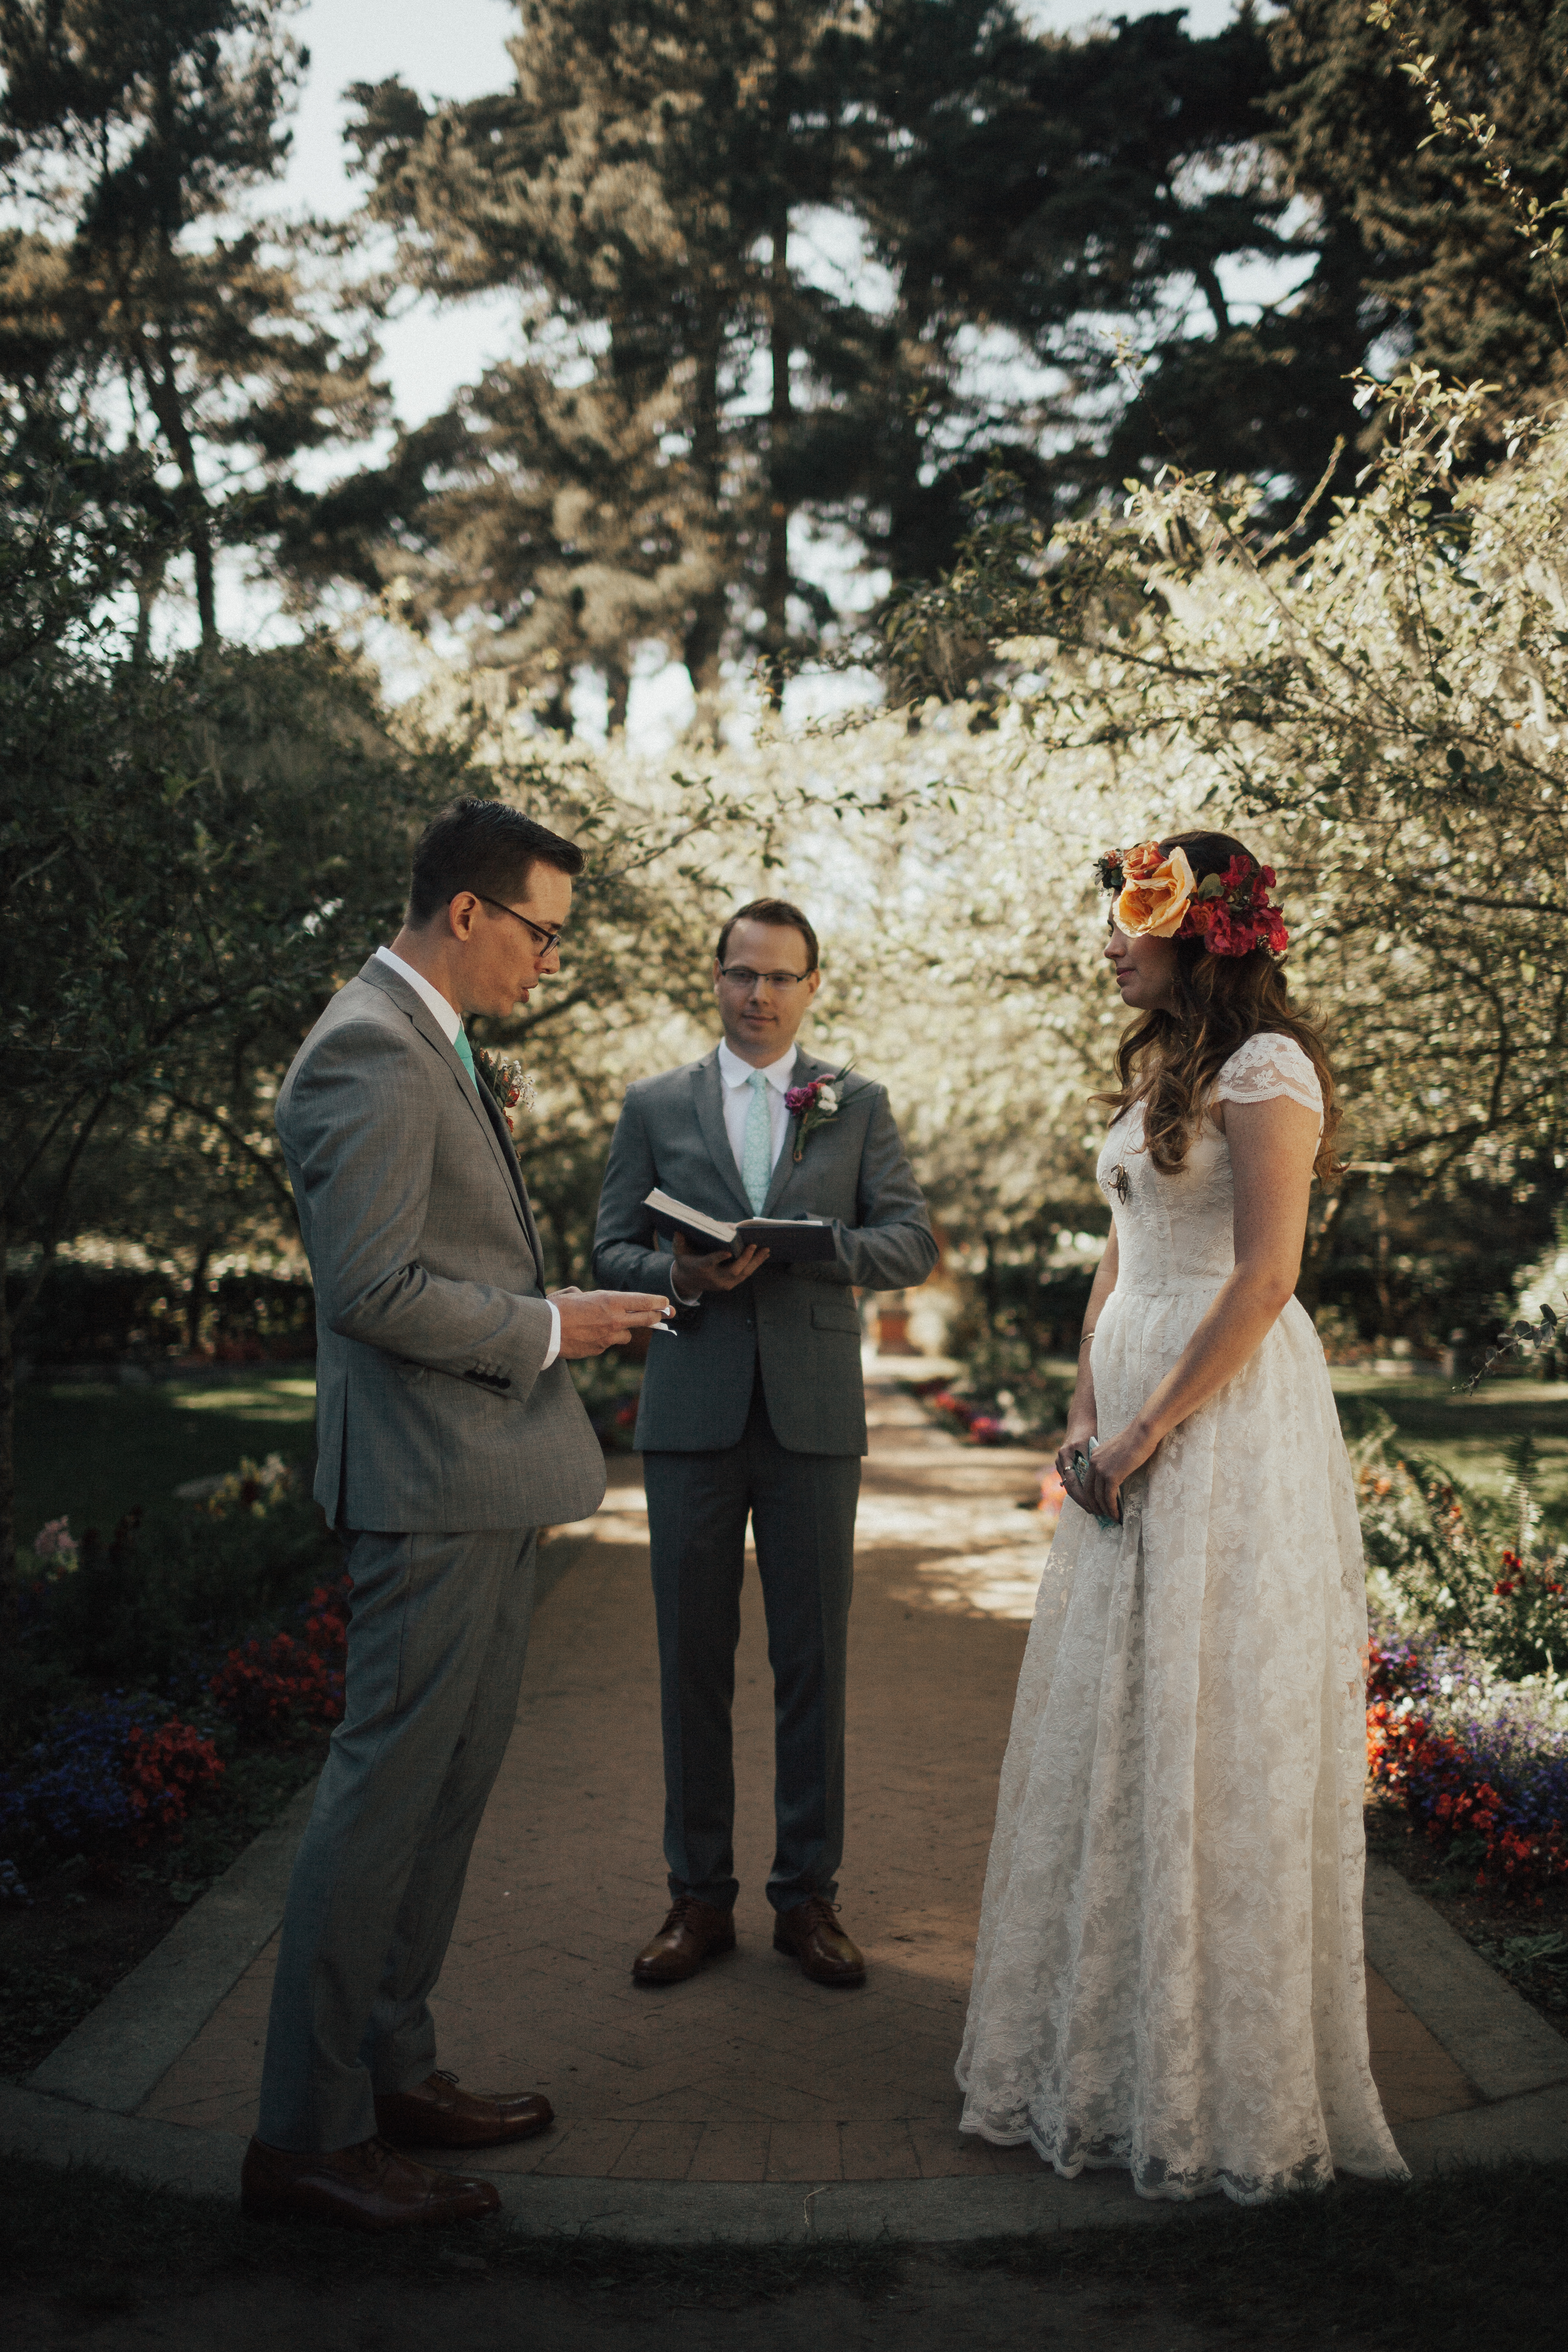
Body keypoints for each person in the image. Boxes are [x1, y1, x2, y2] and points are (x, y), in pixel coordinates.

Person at [956, 832, 1408, 2204]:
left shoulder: (1269, 1072)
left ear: (1200, 931)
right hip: (1132, 1416)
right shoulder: (1162, 1069)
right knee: (1122, 1723)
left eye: (1127, 915)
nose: (1107, 938)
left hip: (1225, 1427)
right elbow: (1119, 1260)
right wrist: (1087, 1410)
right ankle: (1101, 2057)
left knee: (1215, 1722)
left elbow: (1264, 1274)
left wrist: (1151, 1432)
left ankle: (1223, 2087)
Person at [242, 798, 672, 2232]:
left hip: (479, 1479)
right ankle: (304, 2137)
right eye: (544, 932)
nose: (554, 960)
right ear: (470, 914)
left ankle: (393, 2077)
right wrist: (553, 1324)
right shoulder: (367, 1046)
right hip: (426, 1485)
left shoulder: (433, 1038)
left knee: (442, 1799)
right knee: (378, 1809)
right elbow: (366, 1292)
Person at [593, 898, 937, 1989]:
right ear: (717, 976)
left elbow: (910, 1243)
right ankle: (697, 1900)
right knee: (692, 1663)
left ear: (813, 986)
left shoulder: (856, 1105)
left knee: (811, 1665)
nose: (761, 995)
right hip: (691, 1415)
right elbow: (609, 1245)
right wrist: (678, 1274)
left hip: (812, 1422)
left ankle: (809, 1900)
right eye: (744, 974)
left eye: (783, 978)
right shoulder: (654, 1105)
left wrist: (813, 1246)